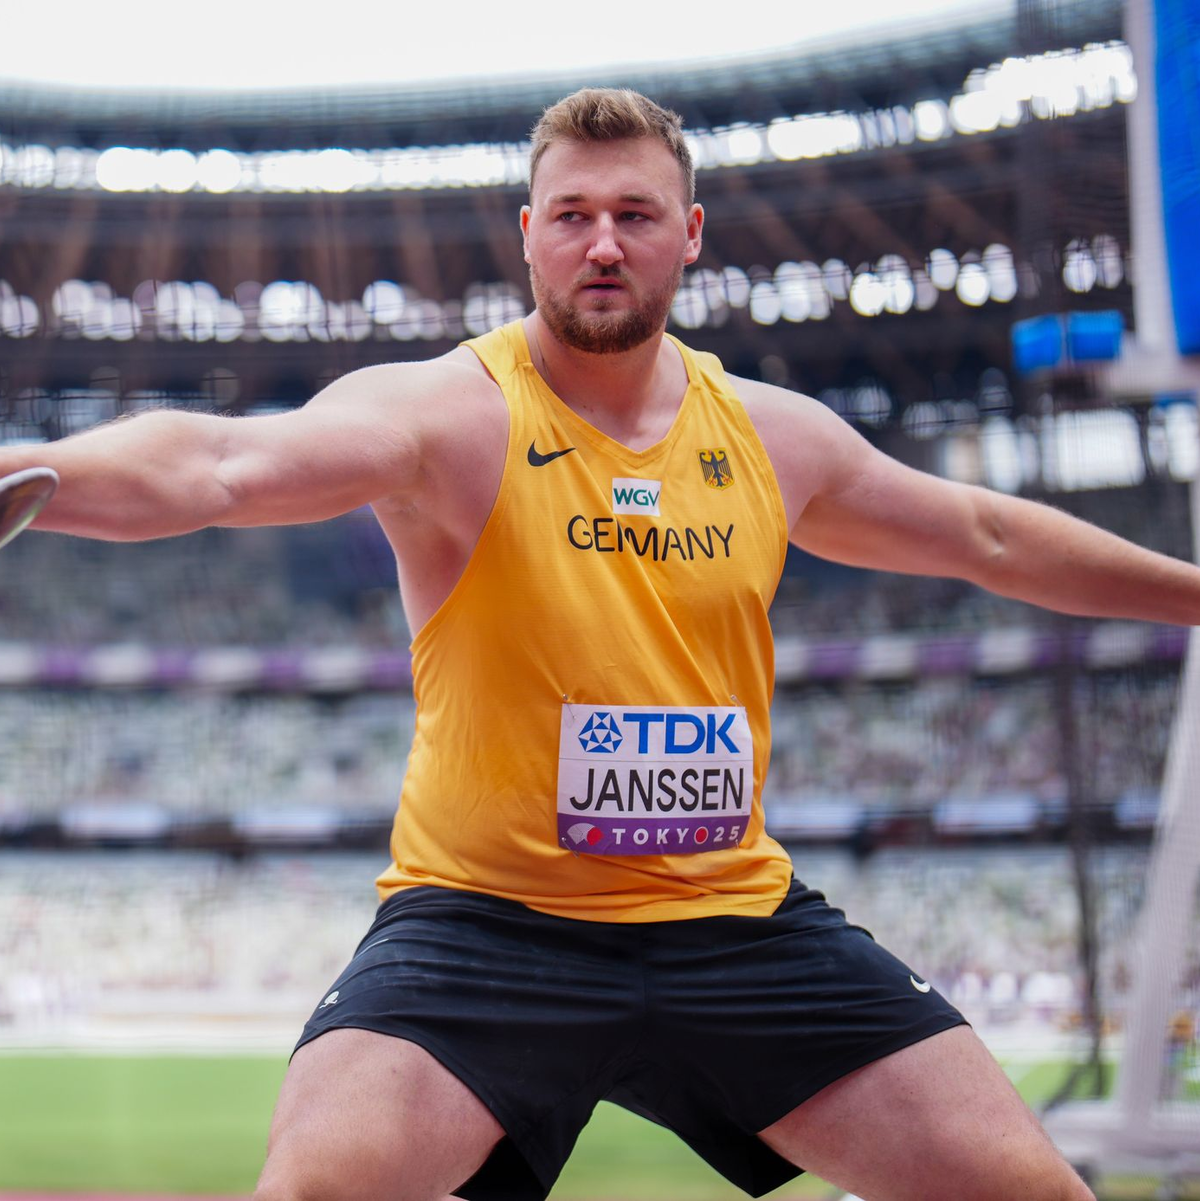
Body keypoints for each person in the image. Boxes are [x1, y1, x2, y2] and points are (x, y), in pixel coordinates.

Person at [9, 87, 1199, 1201]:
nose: (603, 244)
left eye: (634, 214)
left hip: (733, 916)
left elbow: (987, 533)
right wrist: (22, 474)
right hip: (484, 924)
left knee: (1034, 1191)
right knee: (316, 1190)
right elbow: (220, 465)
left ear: (690, 233)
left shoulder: (774, 439)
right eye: (572, 216)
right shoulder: (450, 416)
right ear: (528, 236)